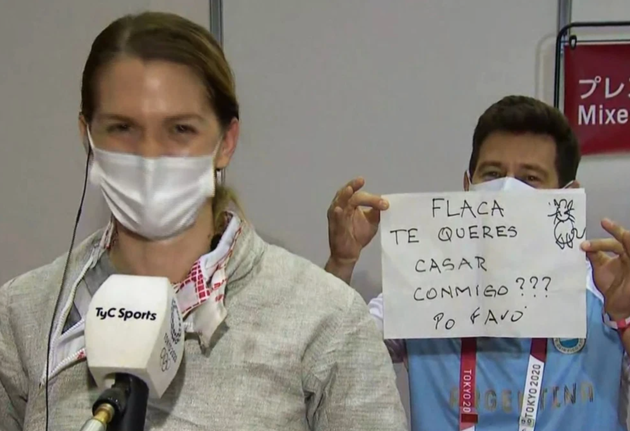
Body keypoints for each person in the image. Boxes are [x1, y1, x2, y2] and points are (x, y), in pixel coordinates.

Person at [0, 12, 408, 431]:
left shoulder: (324, 317)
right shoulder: (23, 315)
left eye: (180, 129)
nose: (149, 155)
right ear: (88, 135)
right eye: (122, 127)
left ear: (225, 142)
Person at [324, 95, 630, 431]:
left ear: (567, 197)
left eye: (530, 179)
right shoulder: (422, 291)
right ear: (468, 187)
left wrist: (624, 317)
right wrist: (343, 262)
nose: (506, 192)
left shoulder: (609, 292)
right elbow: (328, 362)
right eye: (493, 173)